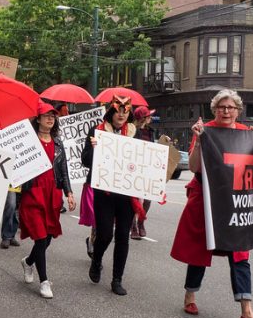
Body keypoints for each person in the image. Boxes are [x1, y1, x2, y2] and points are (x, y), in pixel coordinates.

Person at [170, 89, 253, 318]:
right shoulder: (206, 131)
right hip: (206, 197)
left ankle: (247, 311)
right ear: (214, 110)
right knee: (199, 250)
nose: (226, 111)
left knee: (240, 253)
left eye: (231, 107)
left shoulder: (246, 133)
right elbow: (194, 167)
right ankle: (190, 296)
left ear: (238, 111)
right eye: (221, 107)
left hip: (235, 201)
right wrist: (199, 141)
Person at [81, 95, 139, 296]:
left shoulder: (134, 132)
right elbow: (85, 160)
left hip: (127, 192)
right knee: (105, 233)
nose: (122, 114)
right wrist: (96, 149)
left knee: (123, 235)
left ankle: (117, 279)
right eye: (118, 111)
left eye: (126, 111)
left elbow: (146, 159)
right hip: (104, 190)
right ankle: (96, 261)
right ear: (111, 111)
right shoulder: (97, 131)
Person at [19, 103, 76, 298]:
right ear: (38, 119)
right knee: (41, 237)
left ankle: (28, 262)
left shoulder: (58, 142)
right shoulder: (27, 140)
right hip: (33, 192)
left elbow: (64, 170)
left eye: (53, 116)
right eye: (46, 115)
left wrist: (69, 193)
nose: (50, 119)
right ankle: (44, 281)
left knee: (48, 236)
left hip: (53, 193)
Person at [131, 106, 157, 240]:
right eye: (148, 116)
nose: (151, 118)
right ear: (143, 118)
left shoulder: (151, 132)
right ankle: (133, 225)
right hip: (134, 168)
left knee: (147, 198)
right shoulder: (132, 131)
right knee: (133, 199)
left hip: (148, 168)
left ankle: (141, 221)